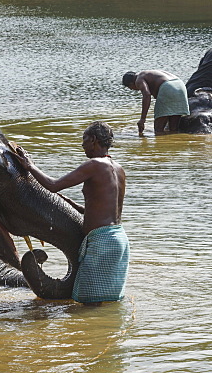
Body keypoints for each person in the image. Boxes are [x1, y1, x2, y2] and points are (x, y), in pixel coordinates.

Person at [14, 121, 129, 304]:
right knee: (107, 303)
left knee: (88, 303)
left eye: (84, 140)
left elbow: (53, 185)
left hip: (101, 243)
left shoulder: (94, 164)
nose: (82, 145)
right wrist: (70, 203)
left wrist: (30, 166)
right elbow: (102, 209)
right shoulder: (119, 169)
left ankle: (92, 333)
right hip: (119, 241)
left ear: (93, 140)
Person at [121, 69, 190, 135]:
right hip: (180, 86)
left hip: (167, 87)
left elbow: (147, 95)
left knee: (158, 129)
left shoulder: (138, 79)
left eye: (130, 88)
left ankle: (160, 144)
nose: (132, 89)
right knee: (173, 129)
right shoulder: (149, 74)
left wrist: (142, 119)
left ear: (131, 83)